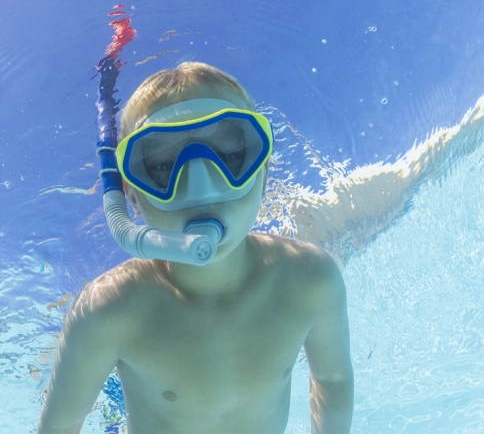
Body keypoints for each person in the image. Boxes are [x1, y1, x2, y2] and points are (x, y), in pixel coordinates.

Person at [38, 62, 354, 434]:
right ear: (131, 196)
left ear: (264, 170)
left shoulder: (310, 278)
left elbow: (332, 381)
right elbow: (61, 425)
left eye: (232, 155)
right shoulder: (108, 312)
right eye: (161, 164)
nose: (200, 185)